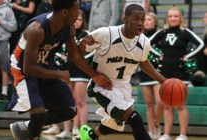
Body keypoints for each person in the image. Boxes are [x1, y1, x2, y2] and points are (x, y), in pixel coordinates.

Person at [7, 0, 112, 139]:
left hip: (46, 66)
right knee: (38, 115)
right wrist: (59, 73)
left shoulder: (68, 27)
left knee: (69, 111)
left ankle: (27, 126)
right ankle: (32, 127)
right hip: (22, 70)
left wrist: (94, 75)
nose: (78, 15)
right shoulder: (36, 29)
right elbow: (29, 68)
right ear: (65, 12)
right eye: (76, 12)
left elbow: (74, 54)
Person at [79, 4, 167, 140]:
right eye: (135, 18)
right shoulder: (105, 34)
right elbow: (76, 53)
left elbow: (143, 62)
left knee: (114, 124)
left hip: (123, 88)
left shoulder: (144, 42)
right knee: (134, 118)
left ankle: (90, 136)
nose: (140, 23)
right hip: (101, 87)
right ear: (124, 18)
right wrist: (94, 74)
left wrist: (163, 81)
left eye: (142, 19)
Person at [149, 6, 204, 140]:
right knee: (167, 105)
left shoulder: (185, 32)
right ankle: (167, 134)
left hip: (180, 72)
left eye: (176, 16)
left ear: (181, 18)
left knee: (181, 105)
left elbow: (201, 44)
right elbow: (147, 43)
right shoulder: (163, 32)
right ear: (167, 18)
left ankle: (183, 135)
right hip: (165, 72)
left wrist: (188, 56)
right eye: (171, 16)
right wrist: (158, 54)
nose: (173, 18)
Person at [43, 9, 93, 139]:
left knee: (80, 101)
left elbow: (94, 52)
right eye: (76, 19)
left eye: (80, 19)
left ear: (83, 21)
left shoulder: (87, 35)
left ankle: (80, 129)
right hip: (67, 71)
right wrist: (62, 59)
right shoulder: (65, 33)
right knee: (67, 102)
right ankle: (67, 129)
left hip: (81, 72)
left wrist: (84, 60)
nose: (77, 22)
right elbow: (56, 51)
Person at [139, 12, 164, 139]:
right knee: (149, 103)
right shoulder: (140, 36)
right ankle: (151, 130)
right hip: (144, 73)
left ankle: (157, 124)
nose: (147, 22)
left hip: (158, 72)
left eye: (149, 19)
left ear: (155, 22)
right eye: (145, 20)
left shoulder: (160, 36)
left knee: (160, 102)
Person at [0, 0, 17, 102]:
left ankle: (4, 93)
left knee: (4, 66)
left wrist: (1, 21)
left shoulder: (8, 10)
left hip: (3, 41)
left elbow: (14, 27)